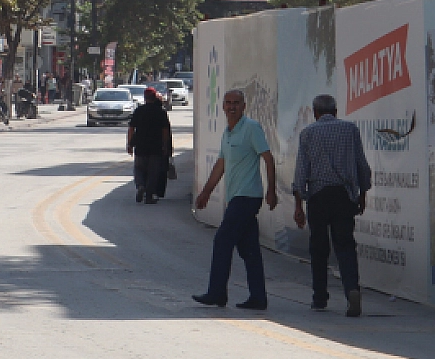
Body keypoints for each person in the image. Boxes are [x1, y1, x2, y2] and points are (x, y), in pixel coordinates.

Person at [193, 89, 278, 310]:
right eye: (228, 103)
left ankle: (217, 293)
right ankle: (258, 297)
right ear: (223, 106)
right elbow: (221, 164)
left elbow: (268, 159)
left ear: (244, 106)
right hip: (236, 197)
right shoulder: (228, 133)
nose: (231, 107)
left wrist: (271, 190)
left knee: (222, 240)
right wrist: (206, 192)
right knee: (249, 249)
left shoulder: (251, 128)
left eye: (236, 103)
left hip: (248, 196)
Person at [292, 93, 373, 317]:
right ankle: (352, 290)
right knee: (345, 246)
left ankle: (319, 298)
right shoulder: (350, 130)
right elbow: (362, 166)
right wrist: (362, 194)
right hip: (344, 196)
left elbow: (301, 172)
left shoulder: (308, 133)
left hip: (318, 197)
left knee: (319, 249)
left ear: (315, 112)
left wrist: (298, 205)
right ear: (336, 112)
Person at [127, 86, 173, 204]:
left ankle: (140, 185)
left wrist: (129, 144)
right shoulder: (161, 112)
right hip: (155, 147)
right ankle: (149, 195)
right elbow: (165, 131)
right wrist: (165, 145)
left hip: (140, 146)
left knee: (139, 169)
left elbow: (131, 128)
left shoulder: (139, 111)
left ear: (145, 98)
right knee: (153, 172)